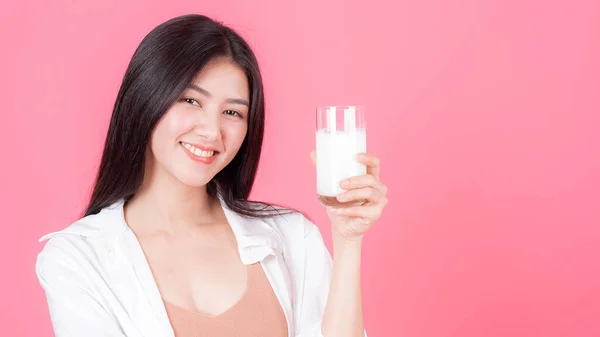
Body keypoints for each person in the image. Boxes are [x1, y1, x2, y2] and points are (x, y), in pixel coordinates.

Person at [35, 14, 388, 337]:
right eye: (191, 101)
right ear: (145, 98)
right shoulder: (77, 258)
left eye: (233, 111)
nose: (211, 130)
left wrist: (347, 241)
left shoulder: (291, 237)